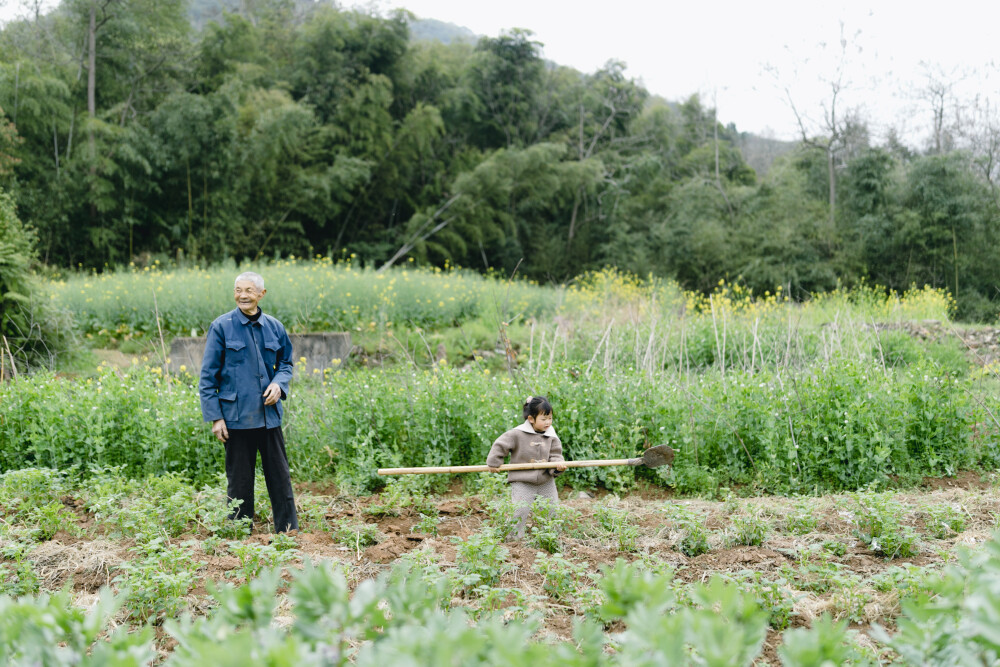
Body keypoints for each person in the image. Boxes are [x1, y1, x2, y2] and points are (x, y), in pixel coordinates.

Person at [199, 271, 299, 533]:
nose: (242, 295)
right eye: (238, 290)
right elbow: (208, 376)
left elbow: (286, 363)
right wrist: (215, 417)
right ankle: (239, 533)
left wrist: (279, 383)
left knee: (279, 475)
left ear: (261, 294)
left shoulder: (275, 327)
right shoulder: (221, 326)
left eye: (249, 290)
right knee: (239, 480)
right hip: (235, 418)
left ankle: (287, 530)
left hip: (268, 416)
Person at [486, 395, 567, 539]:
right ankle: (514, 539)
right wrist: (494, 462)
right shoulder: (517, 434)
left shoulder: (552, 436)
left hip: (545, 480)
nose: (548, 422)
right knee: (520, 510)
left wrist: (557, 466)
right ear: (531, 419)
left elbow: (555, 455)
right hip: (522, 480)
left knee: (551, 509)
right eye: (543, 419)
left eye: (550, 418)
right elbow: (500, 445)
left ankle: (551, 537)